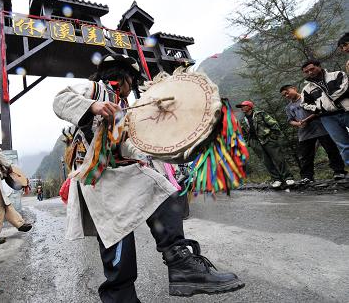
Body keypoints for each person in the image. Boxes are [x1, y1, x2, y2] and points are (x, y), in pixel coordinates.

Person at [53, 54, 244, 302]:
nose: (128, 86)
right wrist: (93, 106)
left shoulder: (125, 109)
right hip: (100, 183)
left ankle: (180, 263)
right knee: (119, 249)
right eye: (129, 81)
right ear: (123, 77)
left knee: (164, 191)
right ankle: (123, 297)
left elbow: (130, 146)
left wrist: (170, 148)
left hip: (121, 177)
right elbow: (60, 100)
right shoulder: (95, 89)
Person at [280, 84, 346, 182]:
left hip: (321, 128)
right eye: (284, 95)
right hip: (304, 133)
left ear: (294, 88)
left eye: (287, 92)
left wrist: (306, 120)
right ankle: (307, 177)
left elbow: (318, 110)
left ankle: (339, 171)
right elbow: (290, 120)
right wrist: (298, 124)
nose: (286, 96)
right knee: (305, 155)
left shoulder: (307, 98)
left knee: (331, 150)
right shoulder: (289, 107)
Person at [300, 59, 349, 165]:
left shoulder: (337, 75)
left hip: (346, 111)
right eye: (306, 72)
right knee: (343, 145)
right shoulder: (307, 89)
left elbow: (345, 88)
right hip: (328, 118)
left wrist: (327, 101)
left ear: (319, 66)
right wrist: (319, 107)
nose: (310, 72)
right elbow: (304, 104)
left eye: (311, 69)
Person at [236, 100, 295, 188]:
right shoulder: (243, 120)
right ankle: (276, 179)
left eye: (243, 106)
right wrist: (249, 142)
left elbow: (273, 123)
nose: (242, 108)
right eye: (241, 107)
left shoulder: (260, 114)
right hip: (255, 142)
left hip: (267, 139)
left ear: (249, 106)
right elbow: (244, 132)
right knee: (266, 161)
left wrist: (274, 136)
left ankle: (288, 177)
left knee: (278, 158)